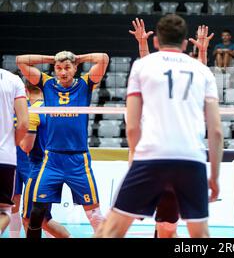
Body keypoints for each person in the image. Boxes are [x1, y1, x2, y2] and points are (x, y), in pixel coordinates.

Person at [97, 14, 223, 238]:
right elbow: (215, 131)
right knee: (199, 236)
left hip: (150, 157)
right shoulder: (202, 71)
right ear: (185, 44)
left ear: (156, 41)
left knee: (110, 232)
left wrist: (135, 162)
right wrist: (214, 176)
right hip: (190, 159)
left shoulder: (142, 66)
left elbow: (133, 127)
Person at [126, 18, 215, 238]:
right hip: (154, 158)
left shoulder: (181, 94)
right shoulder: (150, 85)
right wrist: (142, 45)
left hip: (169, 159)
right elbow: (151, 69)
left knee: (167, 226)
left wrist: (202, 52)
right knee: (165, 226)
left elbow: (198, 76)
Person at [16, 50, 109, 238]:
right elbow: (21, 61)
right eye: (58, 68)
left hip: (78, 160)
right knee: (36, 213)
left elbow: (103, 58)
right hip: (52, 160)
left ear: (75, 69)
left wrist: (77, 58)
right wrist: (53, 59)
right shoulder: (47, 84)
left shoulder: (84, 84)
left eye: (67, 68)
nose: (63, 72)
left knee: (95, 215)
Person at [19, 82, 70, 238]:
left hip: (38, 169)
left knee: (29, 218)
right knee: (44, 219)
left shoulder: (33, 111)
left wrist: (19, 137)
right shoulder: (56, 109)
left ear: (26, 91)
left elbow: (27, 147)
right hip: (56, 167)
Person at [0, 67, 28, 235]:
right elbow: (24, 123)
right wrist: (13, 144)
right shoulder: (13, 80)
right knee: (4, 212)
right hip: (4, 157)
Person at [9, 113, 31, 238]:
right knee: (13, 205)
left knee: (36, 206)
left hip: (31, 163)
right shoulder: (6, 109)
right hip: (12, 161)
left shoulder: (34, 108)